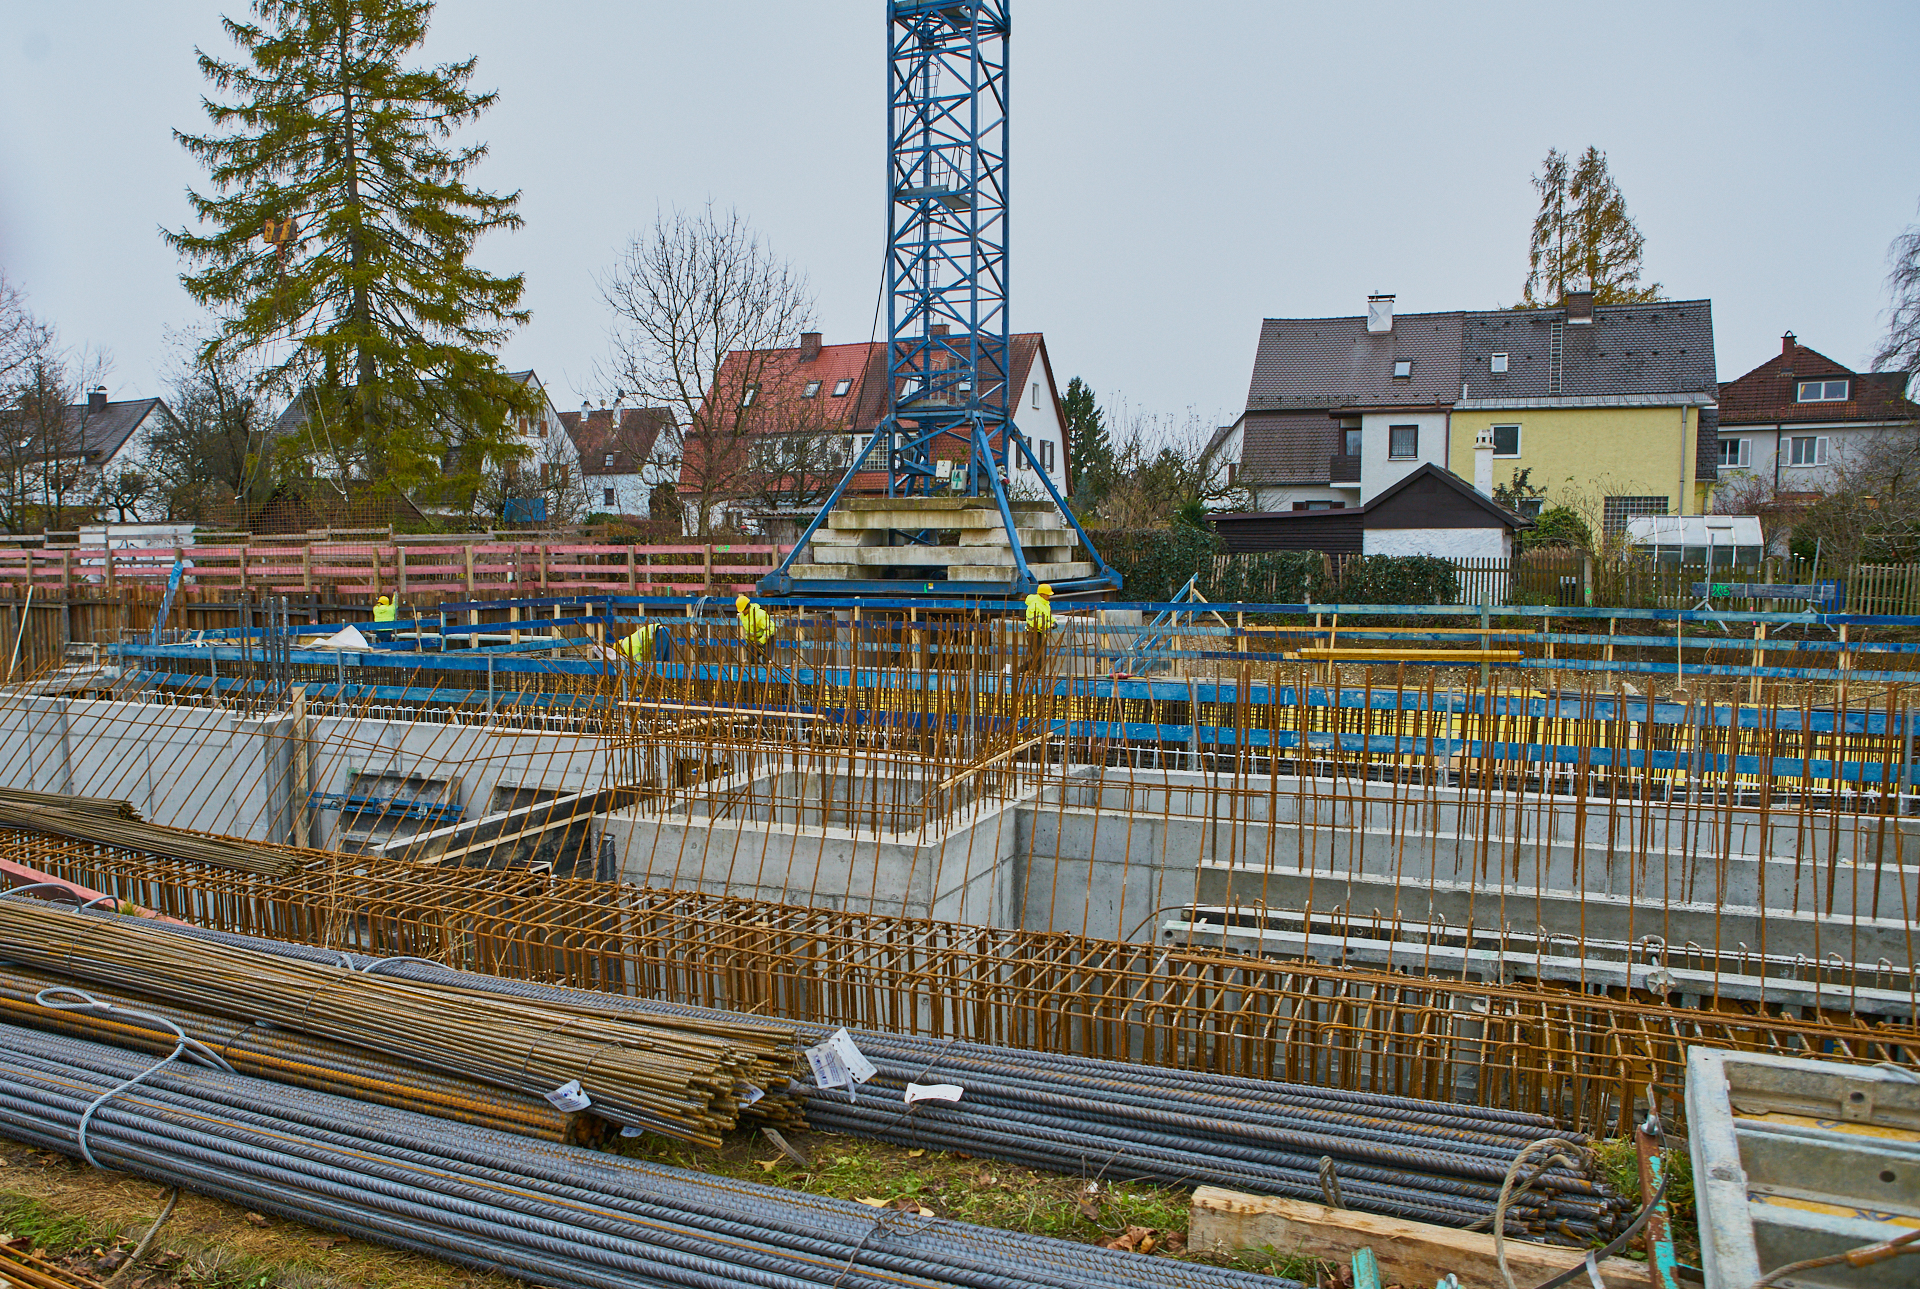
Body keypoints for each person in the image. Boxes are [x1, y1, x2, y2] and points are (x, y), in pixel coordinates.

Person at [1022, 583, 1056, 672]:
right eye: (1047, 595)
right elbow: (1037, 622)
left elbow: (1047, 615)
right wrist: (1050, 625)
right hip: (1033, 633)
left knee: (1041, 658)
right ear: (1042, 594)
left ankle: (1038, 674)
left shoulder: (1044, 603)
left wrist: (1053, 621)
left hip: (1040, 633)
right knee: (1038, 658)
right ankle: (1019, 671)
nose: (1049, 597)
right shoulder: (1035, 605)